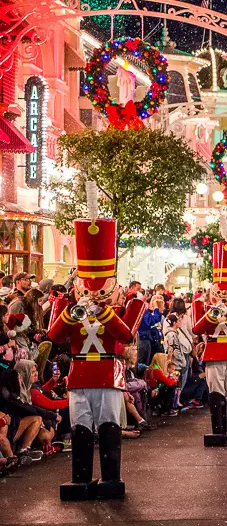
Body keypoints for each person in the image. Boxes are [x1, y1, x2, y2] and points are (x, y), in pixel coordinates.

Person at [46, 198, 138, 500]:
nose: (93, 294)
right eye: (88, 288)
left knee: (109, 425)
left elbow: (124, 336)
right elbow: (52, 335)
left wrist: (105, 312)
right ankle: (80, 478)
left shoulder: (121, 307)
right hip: (79, 374)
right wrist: (69, 312)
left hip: (107, 373)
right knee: (82, 427)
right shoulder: (69, 307)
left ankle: (111, 478)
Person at [191, 225, 227, 447]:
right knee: (216, 391)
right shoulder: (203, 306)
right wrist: (212, 313)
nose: (224, 297)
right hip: (213, 351)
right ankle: (218, 429)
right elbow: (197, 329)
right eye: (221, 293)